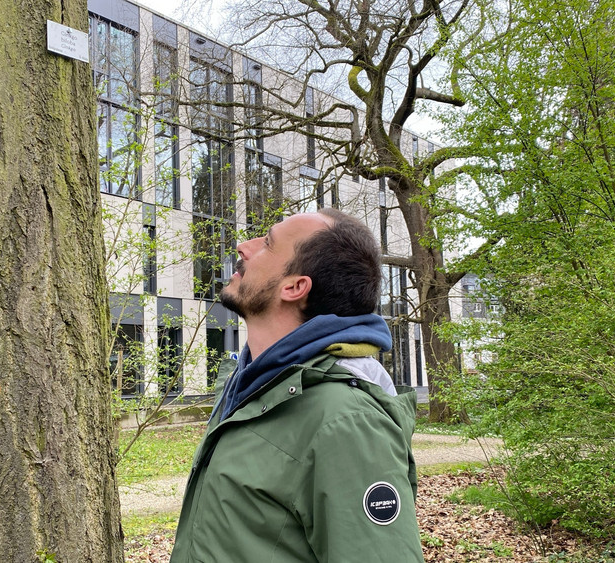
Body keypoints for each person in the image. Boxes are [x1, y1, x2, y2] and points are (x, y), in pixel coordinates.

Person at [170, 208, 425, 562]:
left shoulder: (346, 422)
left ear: (294, 287)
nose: (244, 247)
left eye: (268, 244)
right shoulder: (251, 389)